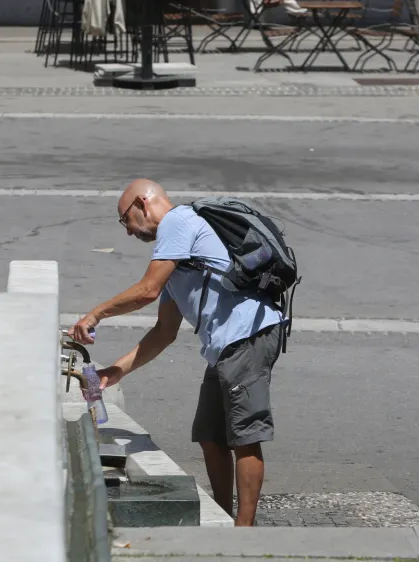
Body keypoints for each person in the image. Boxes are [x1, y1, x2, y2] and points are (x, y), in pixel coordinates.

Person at [68, 179, 285, 527]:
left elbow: (147, 290)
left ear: (141, 202)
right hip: (224, 346)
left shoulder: (177, 222)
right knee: (210, 436)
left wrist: (96, 314)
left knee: (244, 436)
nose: (128, 233)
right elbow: (163, 333)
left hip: (247, 335)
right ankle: (226, 517)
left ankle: (245, 537)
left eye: (125, 221)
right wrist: (114, 372)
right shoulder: (175, 261)